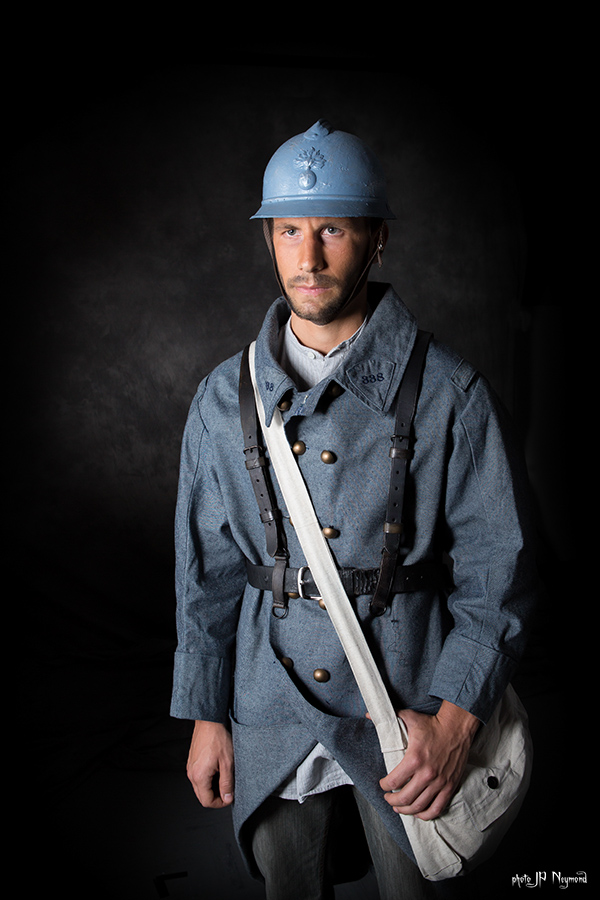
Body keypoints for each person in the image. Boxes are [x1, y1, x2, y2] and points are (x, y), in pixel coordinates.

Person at [170, 119, 537, 899]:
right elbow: (207, 575)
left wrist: (457, 720)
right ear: (269, 239)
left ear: (377, 240)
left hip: (407, 706)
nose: (308, 257)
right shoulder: (219, 400)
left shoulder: (453, 395)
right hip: (270, 701)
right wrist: (207, 714)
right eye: (289, 230)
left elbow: (498, 573)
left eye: (333, 228)